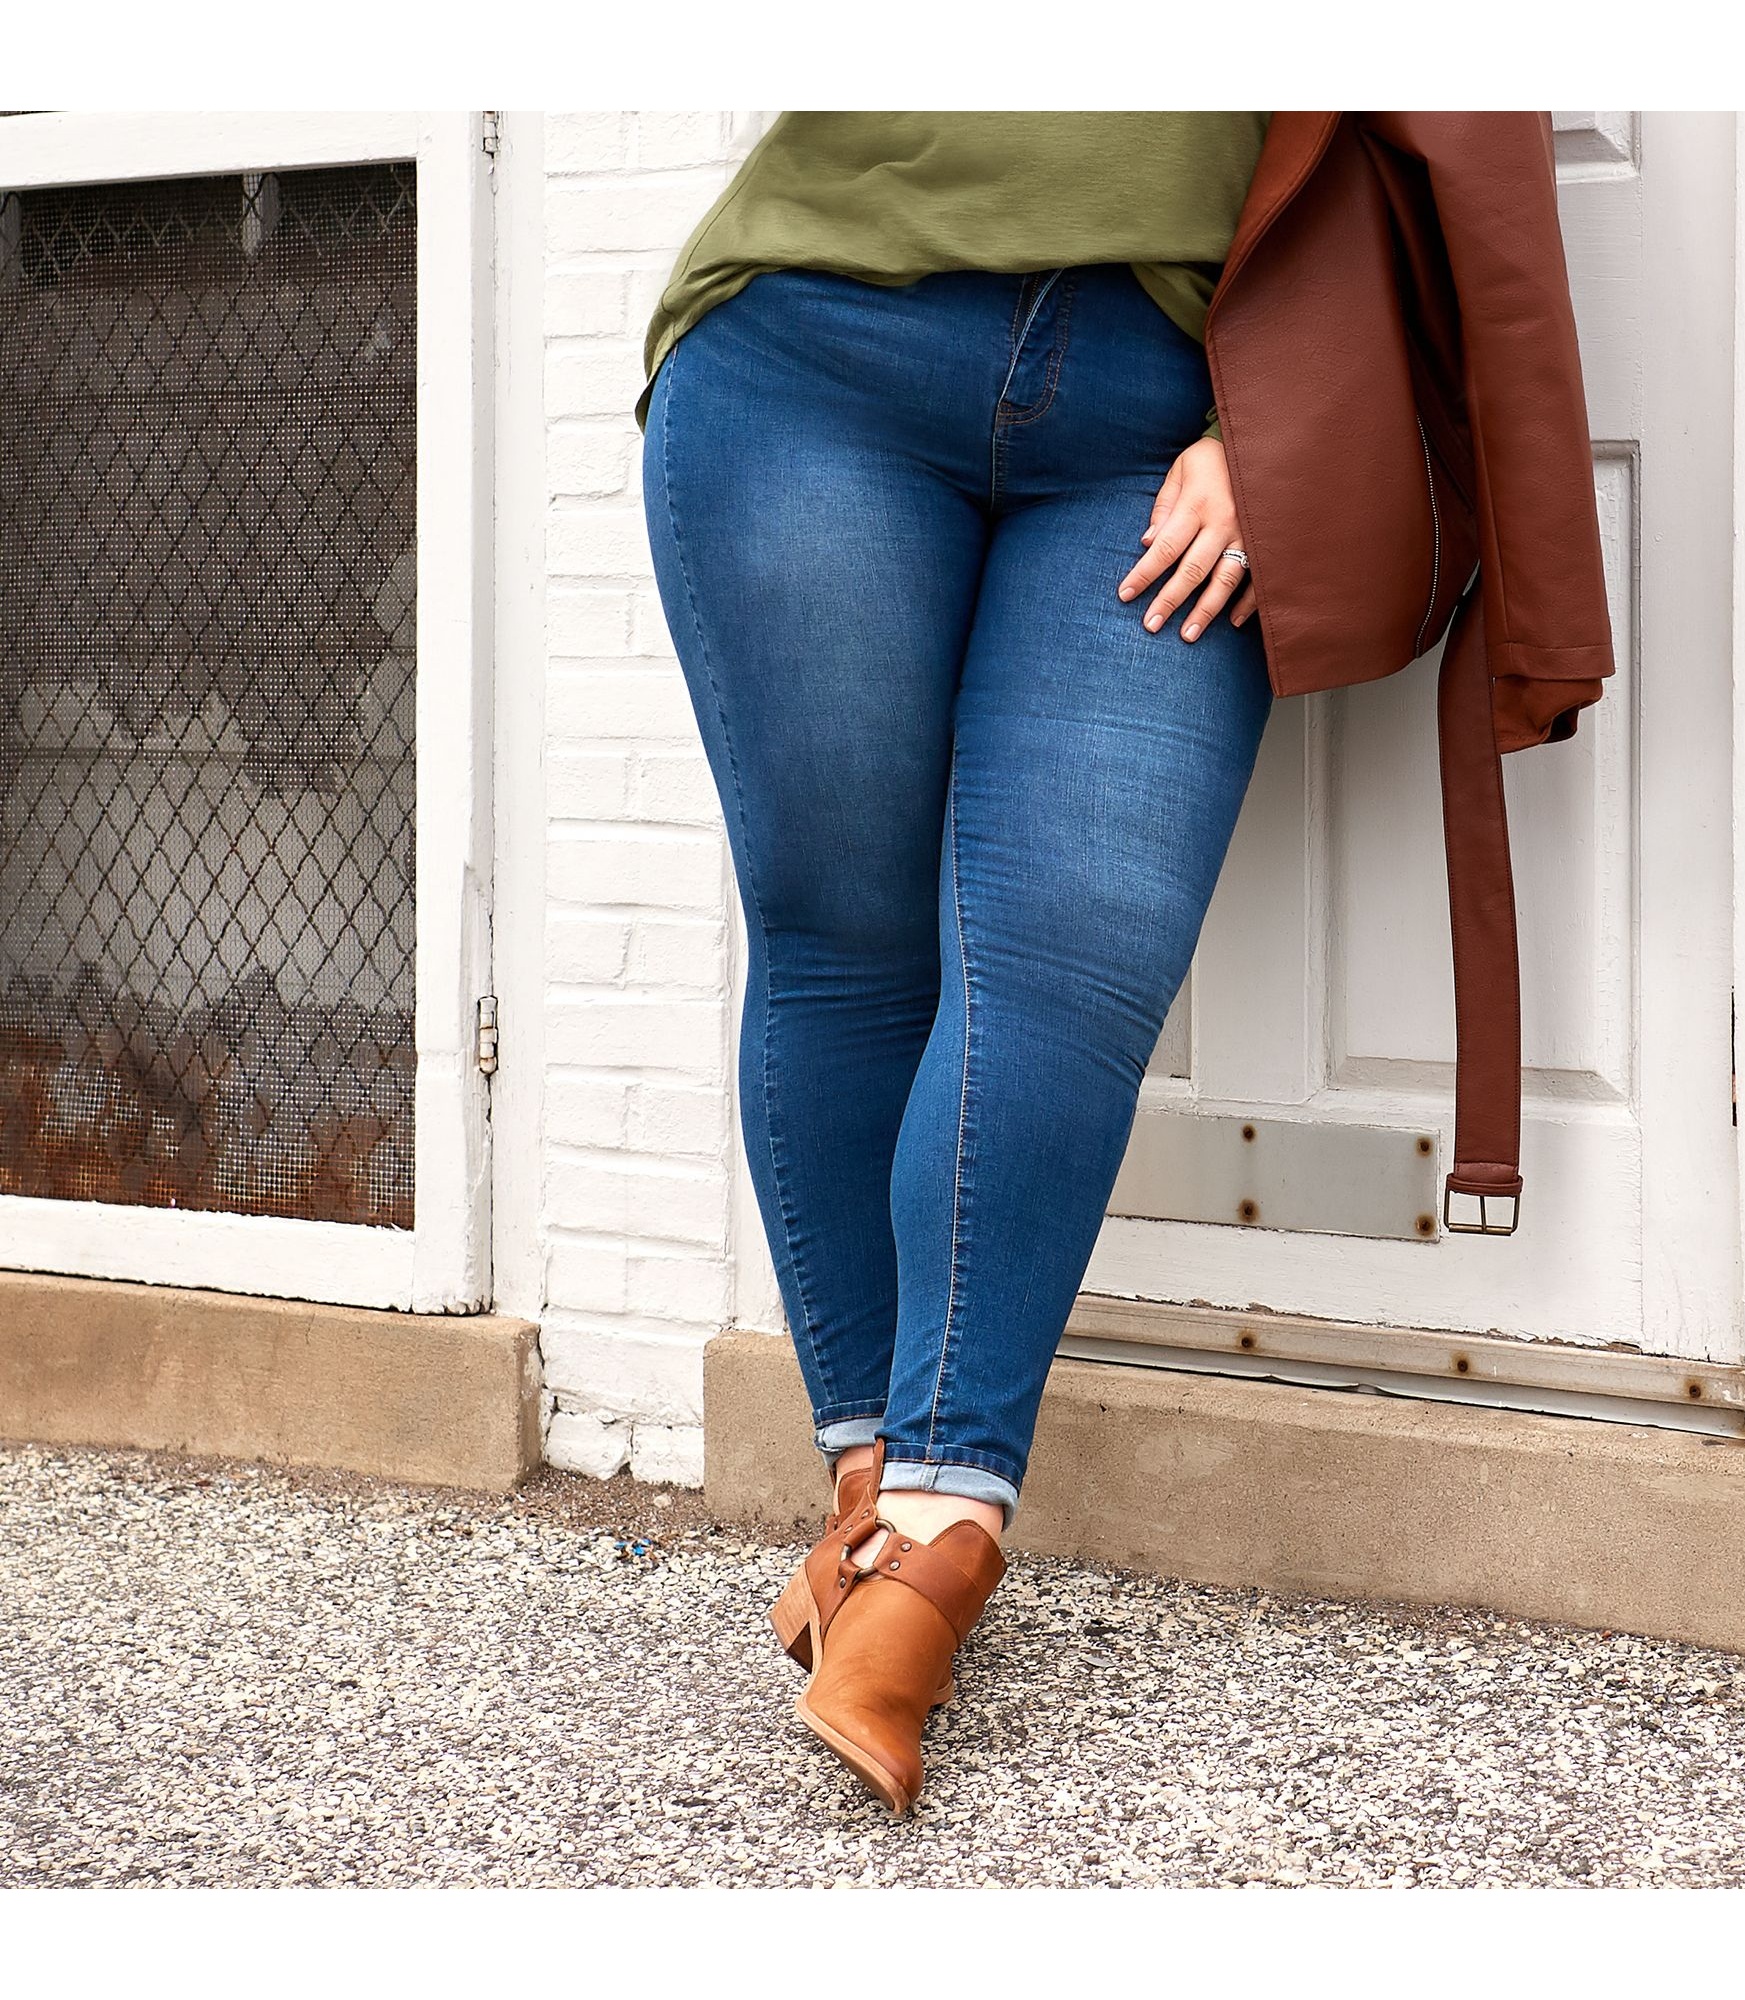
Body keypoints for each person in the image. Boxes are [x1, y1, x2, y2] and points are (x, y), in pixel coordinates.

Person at [636, 111, 1611, 1817]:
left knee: (1071, 963)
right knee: (842, 941)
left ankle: (935, 1538)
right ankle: (882, 1510)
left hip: (1175, 408)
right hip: (810, 349)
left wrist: (1279, 430)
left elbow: (1445, 139)